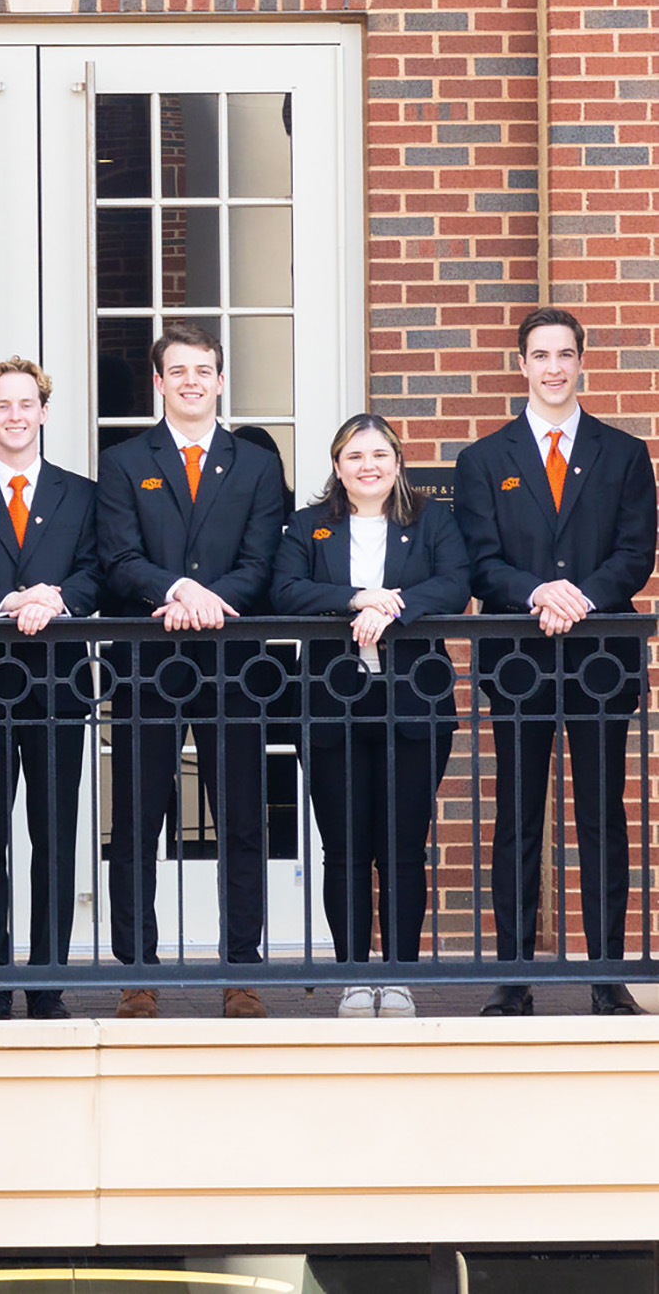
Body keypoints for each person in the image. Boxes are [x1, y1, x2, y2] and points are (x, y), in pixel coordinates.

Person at [453, 308, 657, 1017]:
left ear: (581, 363)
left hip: (601, 657)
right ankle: (514, 979)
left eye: (565, 354)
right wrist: (539, 590)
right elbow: (481, 564)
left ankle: (606, 975)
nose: (553, 367)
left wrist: (579, 598)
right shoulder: (485, 459)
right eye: (540, 355)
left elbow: (635, 554)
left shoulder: (624, 453)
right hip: (517, 661)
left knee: (602, 816)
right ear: (522, 365)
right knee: (516, 817)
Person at [95, 319, 290, 1020]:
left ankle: (241, 970)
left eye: (202, 370)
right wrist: (177, 591)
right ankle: (136, 973)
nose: (190, 382)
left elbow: (264, 562)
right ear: (159, 381)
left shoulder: (258, 465)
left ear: (219, 379)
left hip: (232, 663)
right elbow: (118, 557)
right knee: (137, 820)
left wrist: (211, 599)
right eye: (177, 371)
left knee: (241, 820)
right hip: (147, 663)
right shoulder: (121, 462)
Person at [272, 413, 470, 1017]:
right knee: (347, 847)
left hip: (413, 703)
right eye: (355, 456)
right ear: (337, 467)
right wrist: (357, 598)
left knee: (404, 846)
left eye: (380, 455)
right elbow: (284, 591)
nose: (369, 466)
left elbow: (455, 584)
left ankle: (400, 976)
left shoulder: (432, 522)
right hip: (332, 704)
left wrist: (395, 607)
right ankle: (356, 975)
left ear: (397, 463)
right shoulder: (309, 528)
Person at [0, 357, 101, 1022]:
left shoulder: (80, 494)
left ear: (43, 412)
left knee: (54, 836)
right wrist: (10, 600)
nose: (14, 415)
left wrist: (55, 598)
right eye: (1, 405)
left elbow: (99, 575)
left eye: (25, 404)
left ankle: (49, 981)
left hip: (59, 685)